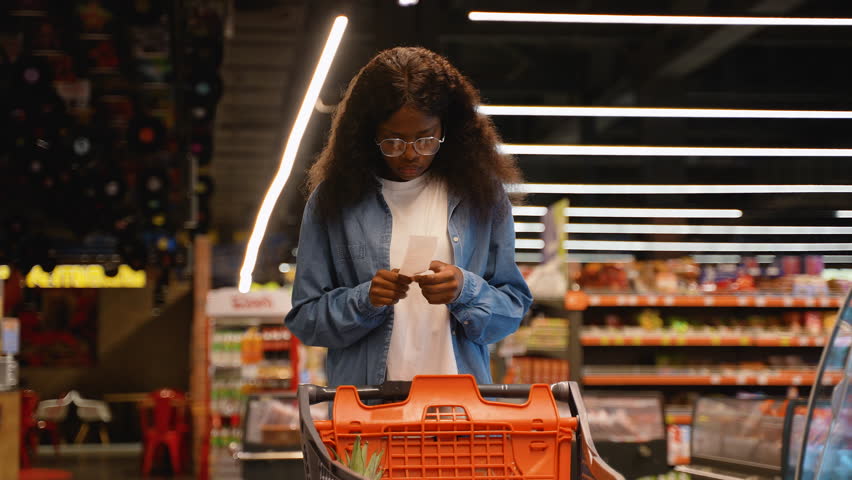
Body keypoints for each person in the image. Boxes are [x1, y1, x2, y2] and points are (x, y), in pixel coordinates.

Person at [285, 46, 532, 389]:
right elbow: (306, 319)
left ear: (448, 128)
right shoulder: (333, 201)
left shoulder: (481, 197)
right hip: (368, 407)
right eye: (394, 141)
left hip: (458, 407)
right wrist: (365, 300)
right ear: (368, 133)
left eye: (426, 139)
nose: (412, 154)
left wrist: (466, 290)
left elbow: (512, 310)